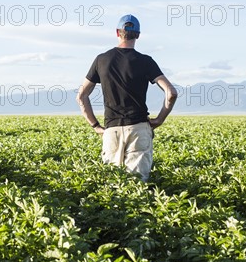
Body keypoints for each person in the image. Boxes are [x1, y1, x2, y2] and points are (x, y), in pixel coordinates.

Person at [76, 14, 177, 181]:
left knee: (113, 186)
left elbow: (81, 96)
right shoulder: (146, 61)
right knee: (137, 186)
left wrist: (95, 126)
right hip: (138, 129)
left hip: (111, 130)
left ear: (117, 32)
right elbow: (171, 93)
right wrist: (159, 120)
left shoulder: (101, 60)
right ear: (138, 35)